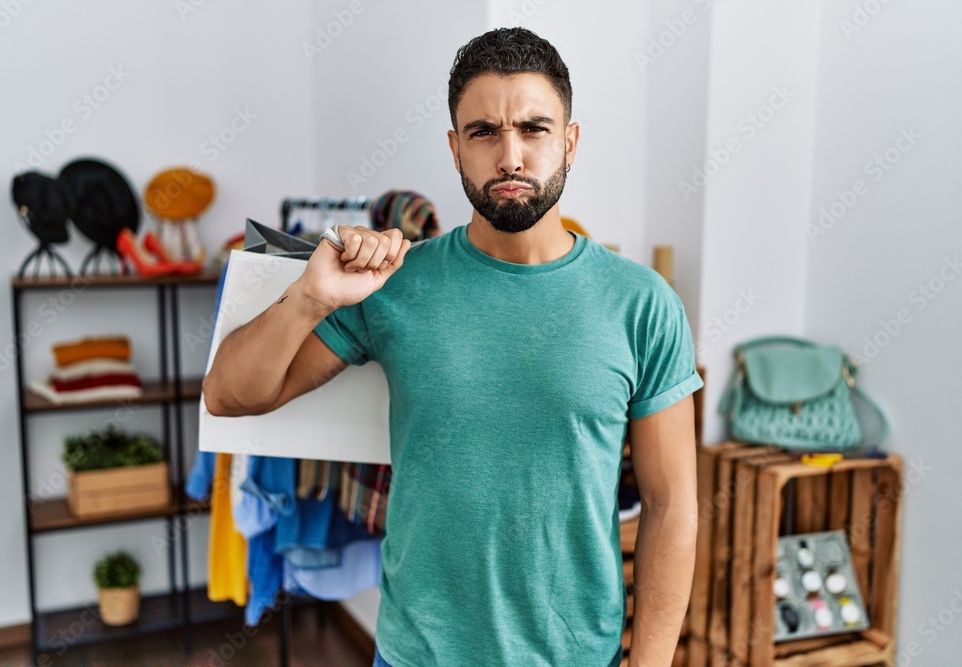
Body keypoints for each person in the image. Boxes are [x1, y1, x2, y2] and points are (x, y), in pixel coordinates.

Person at [203, 27, 703, 667]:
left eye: (534, 128)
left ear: (570, 141)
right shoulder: (393, 285)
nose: (511, 156)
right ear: (455, 148)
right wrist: (311, 295)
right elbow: (229, 394)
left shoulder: (642, 303)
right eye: (484, 132)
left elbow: (671, 505)